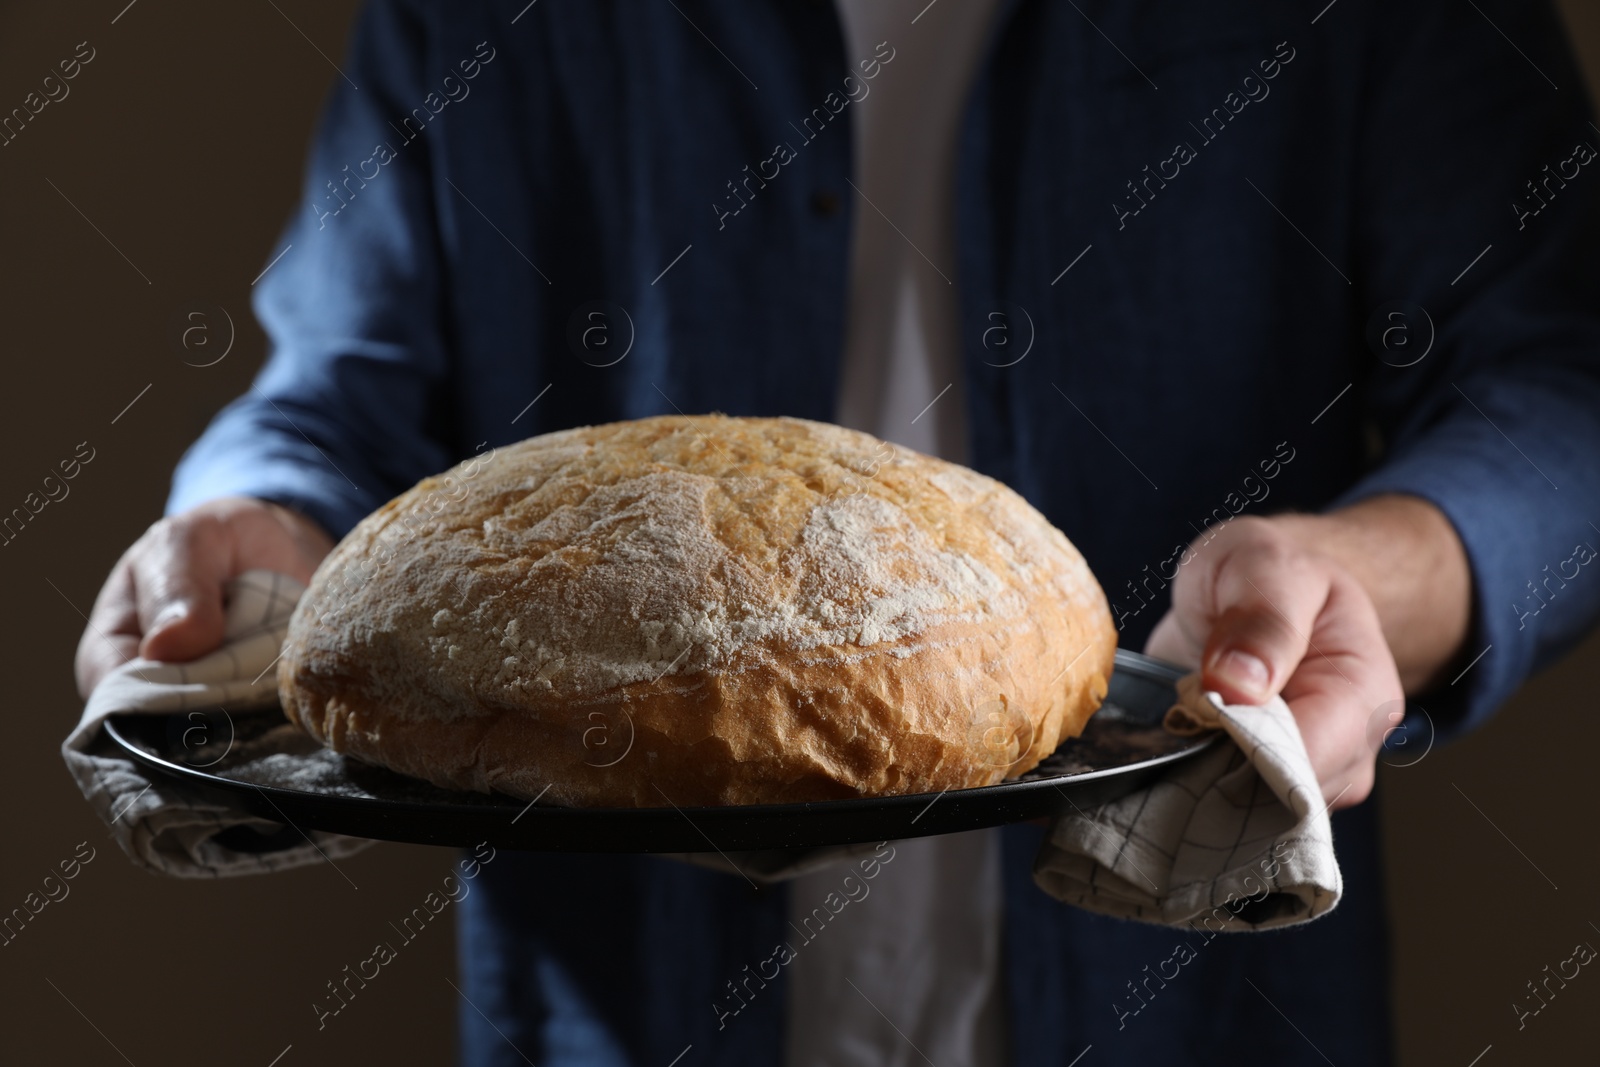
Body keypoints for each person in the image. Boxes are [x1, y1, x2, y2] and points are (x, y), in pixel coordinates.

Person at [74, 1, 1600, 1063]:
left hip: (1190, 1009)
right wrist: (244, 521)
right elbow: (339, 387)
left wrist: (1375, 576)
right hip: (625, 1018)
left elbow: (1567, 378)